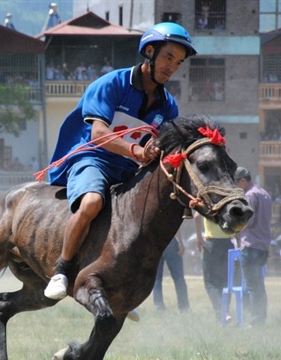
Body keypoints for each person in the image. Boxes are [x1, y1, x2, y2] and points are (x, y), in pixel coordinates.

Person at [42, 22, 198, 300]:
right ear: (149, 51)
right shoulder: (110, 84)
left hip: (127, 170)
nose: (172, 67)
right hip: (92, 158)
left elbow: (167, 152)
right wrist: (138, 152)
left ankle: (118, 283)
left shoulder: (169, 105)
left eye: (179, 62)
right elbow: (99, 134)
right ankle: (62, 270)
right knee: (92, 202)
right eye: (168, 57)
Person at [234, 167, 272, 326]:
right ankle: (261, 319)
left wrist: (235, 223)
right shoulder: (265, 194)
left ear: (243, 180)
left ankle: (255, 322)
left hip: (250, 245)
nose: (237, 187)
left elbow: (247, 221)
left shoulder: (249, 195)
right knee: (259, 286)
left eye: (237, 183)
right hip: (263, 245)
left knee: (252, 287)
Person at [194, 213, 234, 322]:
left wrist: (199, 237)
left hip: (212, 243)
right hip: (228, 244)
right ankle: (226, 312)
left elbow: (197, 216)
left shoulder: (207, 199)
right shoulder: (227, 200)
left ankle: (222, 313)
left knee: (210, 282)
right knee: (225, 282)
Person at [153, 231, 190, 312]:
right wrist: (180, 242)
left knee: (157, 278)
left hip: (155, 243)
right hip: (170, 241)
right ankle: (184, 307)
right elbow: (174, 226)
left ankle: (159, 307)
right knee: (178, 277)